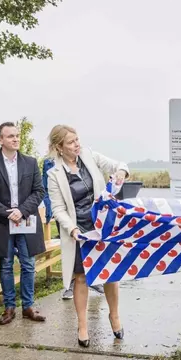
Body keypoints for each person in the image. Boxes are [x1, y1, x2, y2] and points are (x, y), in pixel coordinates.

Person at [46, 124, 129, 347]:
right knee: (81, 278)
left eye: (77, 139)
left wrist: (121, 172)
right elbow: (58, 209)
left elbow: (119, 165)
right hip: (79, 232)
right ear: (59, 147)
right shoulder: (54, 175)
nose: (77, 144)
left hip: (103, 227)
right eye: (71, 142)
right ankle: (83, 325)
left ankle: (114, 316)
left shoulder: (89, 155)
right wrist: (72, 229)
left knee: (111, 274)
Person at [0, 122, 47, 325]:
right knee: (6, 265)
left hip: (26, 220)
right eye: (10, 136)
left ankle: (28, 307)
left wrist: (22, 211)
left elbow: (39, 191)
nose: (15, 139)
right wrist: (7, 213)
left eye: (17, 136)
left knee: (28, 264)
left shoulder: (31, 162)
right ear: (0, 140)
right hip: (1, 221)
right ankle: (9, 307)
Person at [42, 156, 105, 299]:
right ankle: (71, 283)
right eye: (69, 141)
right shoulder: (49, 163)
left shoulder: (84, 157)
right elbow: (46, 189)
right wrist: (48, 211)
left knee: (94, 252)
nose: (75, 144)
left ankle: (95, 280)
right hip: (66, 214)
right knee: (73, 252)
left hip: (89, 216)